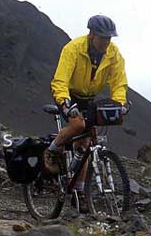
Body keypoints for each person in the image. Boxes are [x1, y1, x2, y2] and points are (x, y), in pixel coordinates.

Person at [44, 15, 128, 212]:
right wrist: (65, 103)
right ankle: (52, 150)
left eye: (109, 38)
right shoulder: (73, 48)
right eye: (103, 38)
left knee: (85, 144)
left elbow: (119, 83)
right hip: (68, 93)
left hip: (88, 97)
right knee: (78, 125)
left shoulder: (113, 54)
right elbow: (60, 80)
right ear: (91, 35)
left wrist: (120, 104)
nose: (107, 42)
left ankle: (79, 192)